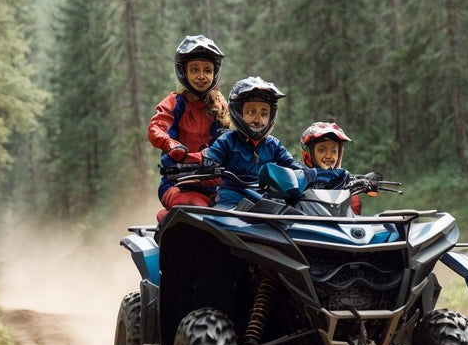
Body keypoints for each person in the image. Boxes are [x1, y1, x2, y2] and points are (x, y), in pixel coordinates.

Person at [203, 78, 347, 208]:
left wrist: (316, 175)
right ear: (238, 113)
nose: (258, 119)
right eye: (251, 112)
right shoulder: (227, 140)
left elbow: (293, 166)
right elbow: (210, 157)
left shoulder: (273, 145)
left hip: (266, 200)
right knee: (217, 225)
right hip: (231, 199)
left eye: (264, 113)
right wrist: (207, 163)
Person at [148, 35, 230, 214]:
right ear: (184, 72)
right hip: (179, 183)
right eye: (194, 70)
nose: (201, 76)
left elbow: (232, 142)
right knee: (199, 211)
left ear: (214, 73)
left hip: (218, 185)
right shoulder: (174, 103)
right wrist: (171, 144)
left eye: (207, 70)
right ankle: (168, 231)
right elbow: (156, 128)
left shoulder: (220, 105)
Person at [299, 121, 368, 215]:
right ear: (309, 153)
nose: (329, 155)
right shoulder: (299, 179)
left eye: (333, 151)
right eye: (321, 150)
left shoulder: (343, 179)